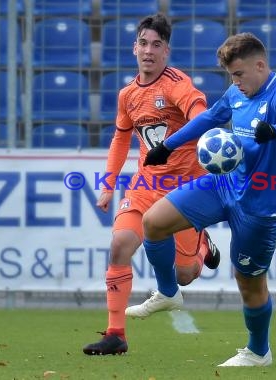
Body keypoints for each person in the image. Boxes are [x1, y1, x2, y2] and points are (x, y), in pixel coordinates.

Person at [126, 32, 276, 367]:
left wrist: (275, 131)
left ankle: (258, 352)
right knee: (154, 221)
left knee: (249, 283)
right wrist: (165, 147)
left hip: (260, 207)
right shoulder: (236, 93)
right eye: (231, 76)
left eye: (239, 74)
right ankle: (169, 293)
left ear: (260, 65)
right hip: (224, 185)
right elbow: (210, 118)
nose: (236, 82)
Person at [83, 13, 220, 356]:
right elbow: (120, 138)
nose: (149, 51)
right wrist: (108, 185)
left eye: (156, 45)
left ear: (166, 51)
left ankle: (203, 244)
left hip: (185, 190)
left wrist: (190, 131)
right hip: (145, 186)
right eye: (143, 43)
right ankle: (116, 334)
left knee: (185, 275)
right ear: (135, 48)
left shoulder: (176, 84)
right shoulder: (128, 94)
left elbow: (200, 113)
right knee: (120, 245)